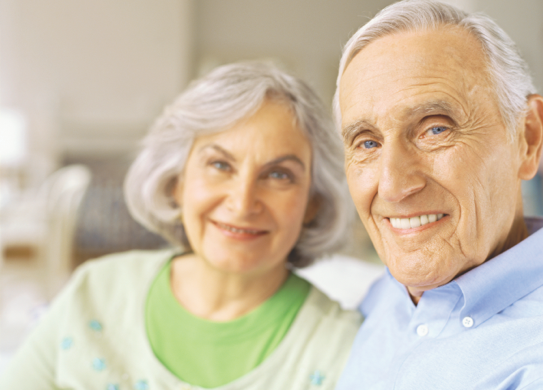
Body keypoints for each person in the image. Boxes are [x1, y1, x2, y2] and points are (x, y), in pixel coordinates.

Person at [0, 62, 361, 390]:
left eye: (279, 174)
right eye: (220, 165)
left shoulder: (342, 346)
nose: (242, 201)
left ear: (313, 203)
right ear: (177, 181)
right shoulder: (93, 292)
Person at [333, 1, 543, 388]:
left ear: (527, 138)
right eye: (368, 142)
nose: (392, 185)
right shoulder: (382, 299)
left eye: (435, 129)